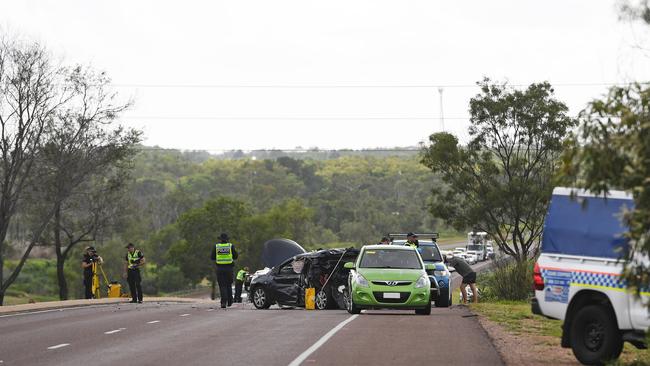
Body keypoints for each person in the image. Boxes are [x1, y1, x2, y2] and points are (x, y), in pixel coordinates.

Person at [210, 233, 239, 308]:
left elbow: (212, 257)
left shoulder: (216, 246)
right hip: (229, 268)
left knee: (222, 285)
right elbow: (236, 256)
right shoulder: (230, 246)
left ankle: (223, 302)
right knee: (228, 284)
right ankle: (230, 301)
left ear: (220, 239)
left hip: (220, 268)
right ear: (227, 239)